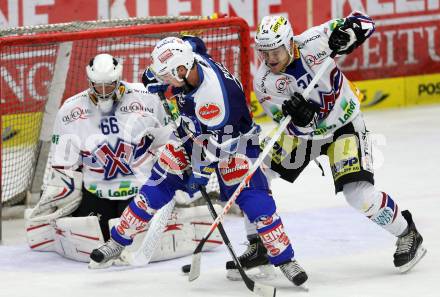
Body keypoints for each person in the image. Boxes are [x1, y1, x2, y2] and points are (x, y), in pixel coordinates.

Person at [90, 35, 309, 287]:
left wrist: (198, 174)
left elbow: (213, 151)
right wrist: (156, 77)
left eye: (168, 77)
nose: (166, 82)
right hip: (193, 133)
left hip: (233, 143)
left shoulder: (215, 100)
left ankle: (284, 259)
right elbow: (193, 41)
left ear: (182, 70)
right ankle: (118, 241)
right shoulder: (190, 57)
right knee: (158, 184)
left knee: (256, 201)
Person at [226, 11, 427, 278]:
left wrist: (351, 34)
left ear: (290, 44)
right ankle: (259, 244)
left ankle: (407, 232)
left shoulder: (314, 40)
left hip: (344, 125)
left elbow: (364, 21)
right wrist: (302, 119)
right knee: (253, 175)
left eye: (276, 51)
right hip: (303, 136)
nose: (270, 58)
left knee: (358, 194)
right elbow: (293, 125)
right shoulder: (265, 82)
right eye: (264, 52)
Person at [25, 53, 221, 263]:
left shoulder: (147, 97)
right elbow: (63, 164)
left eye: (108, 86)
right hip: (97, 192)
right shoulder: (70, 111)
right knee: (96, 234)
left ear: (118, 80)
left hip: (141, 190)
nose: (102, 92)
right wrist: (59, 192)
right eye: (97, 86)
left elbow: (170, 138)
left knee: (138, 228)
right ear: (89, 82)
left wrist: (177, 174)